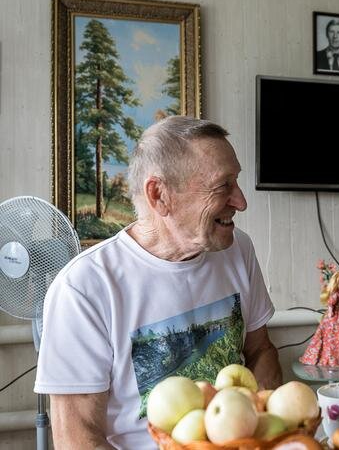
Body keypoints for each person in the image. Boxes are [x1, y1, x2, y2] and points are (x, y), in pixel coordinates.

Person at [34, 116, 283, 449]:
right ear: (159, 195)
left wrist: (258, 427)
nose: (241, 201)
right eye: (223, 186)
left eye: (236, 182)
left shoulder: (238, 249)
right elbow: (77, 439)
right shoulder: (84, 287)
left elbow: (261, 351)